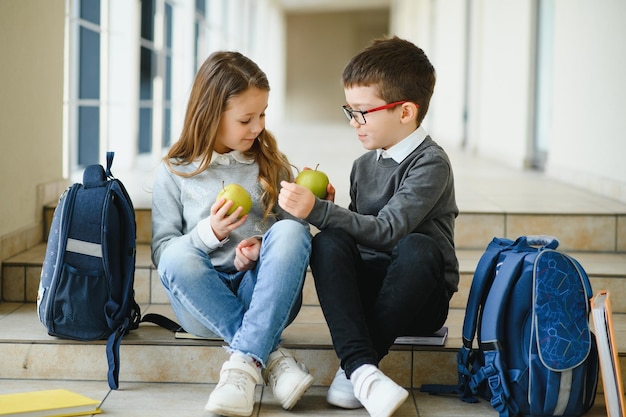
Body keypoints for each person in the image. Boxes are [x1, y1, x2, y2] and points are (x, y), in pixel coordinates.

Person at [278, 36, 459, 417]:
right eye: (350, 110)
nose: (353, 122)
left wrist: (319, 211)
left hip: (419, 296)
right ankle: (363, 371)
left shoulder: (431, 164)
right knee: (329, 242)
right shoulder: (364, 165)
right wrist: (329, 212)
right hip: (373, 287)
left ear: (406, 111)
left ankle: (356, 363)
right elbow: (361, 235)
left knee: (418, 247)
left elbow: (389, 230)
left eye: (362, 111)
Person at [151, 51, 314, 417]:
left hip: (263, 293)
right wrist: (207, 234)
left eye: (262, 114)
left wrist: (266, 243)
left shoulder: (271, 164)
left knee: (289, 231)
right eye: (246, 119)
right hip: (201, 304)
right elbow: (163, 254)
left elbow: (294, 242)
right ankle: (270, 357)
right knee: (177, 254)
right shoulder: (174, 172)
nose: (258, 127)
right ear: (210, 115)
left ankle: (241, 366)